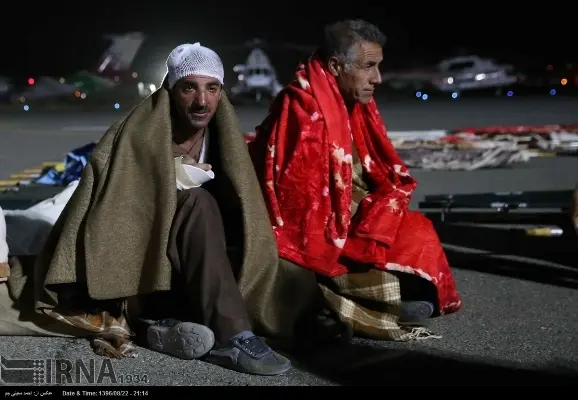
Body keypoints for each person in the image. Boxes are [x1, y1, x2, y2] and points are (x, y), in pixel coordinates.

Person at [17, 43, 290, 376]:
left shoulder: (220, 139)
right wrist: (166, 180)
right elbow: (108, 210)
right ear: (171, 91)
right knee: (198, 202)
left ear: (221, 92)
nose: (202, 101)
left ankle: (155, 329)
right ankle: (234, 337)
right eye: (189, 88)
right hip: (138, 269)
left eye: (212, 88)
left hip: (194, 267)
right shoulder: (133, 136)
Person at [248, 19, 462, 343]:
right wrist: (367, 212)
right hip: (318, 230)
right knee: (376, 268)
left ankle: (400, 294)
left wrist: (379, 204)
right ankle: (378, 302)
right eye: (368, 67)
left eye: (378, 66)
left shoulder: (352, 101)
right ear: (336, 66)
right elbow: (301, 209)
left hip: (349, 211)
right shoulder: (305, 111)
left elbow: (369, 170)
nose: (377, 78)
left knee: (418, 231)